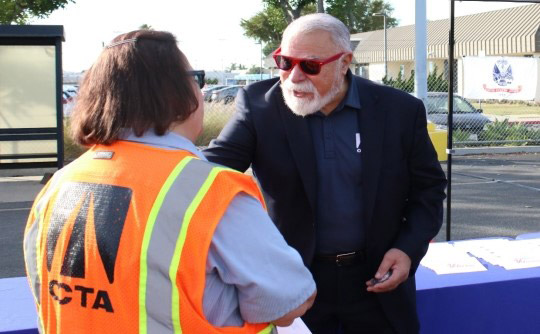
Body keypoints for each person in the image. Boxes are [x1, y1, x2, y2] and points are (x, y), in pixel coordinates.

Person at [23, 30, 316, 334]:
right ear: (178, 94)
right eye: (196, 78)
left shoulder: (59, 184)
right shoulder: (210, 192)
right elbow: (289, 303)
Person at [204, 14, 447, 334]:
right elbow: (209, 172)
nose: (293, 76)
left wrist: (407, 249)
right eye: (285, 62)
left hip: (377, 282)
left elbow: (428, 190)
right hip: (296, 285)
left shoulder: (399, 110)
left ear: (345, 62)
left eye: (310, 66)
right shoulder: (259, 105)